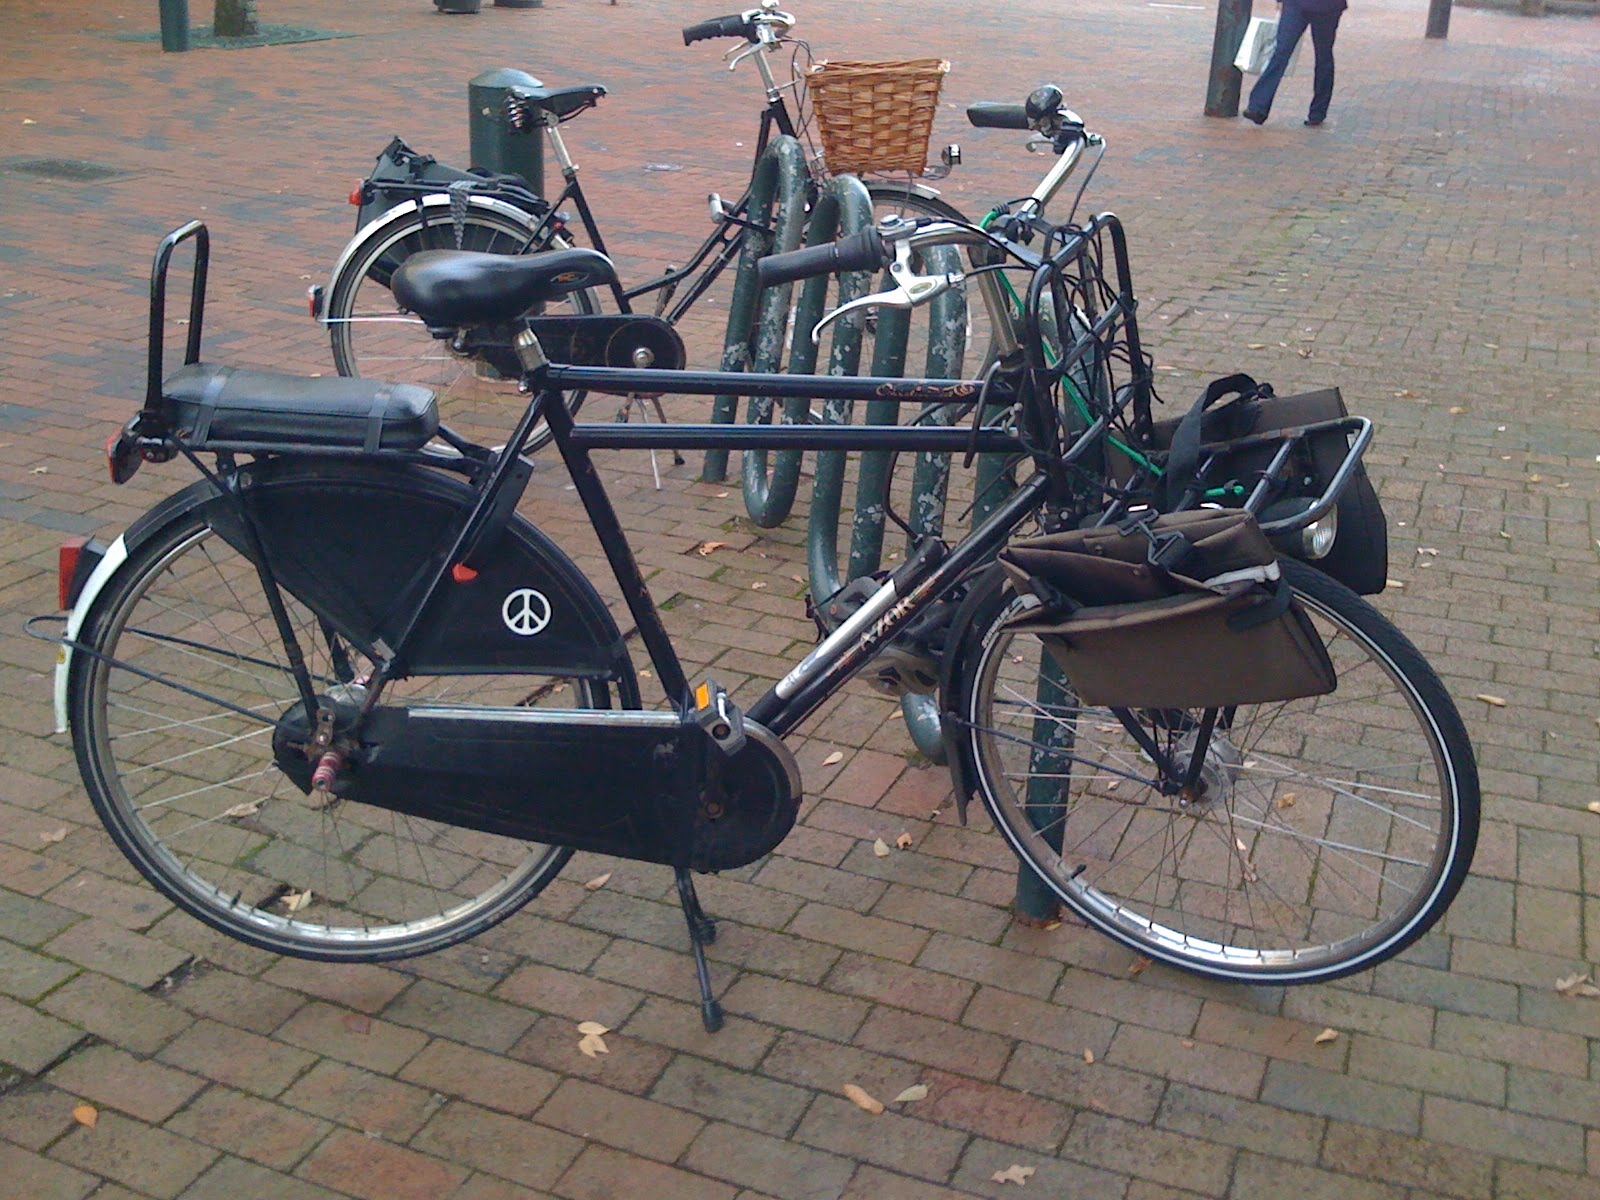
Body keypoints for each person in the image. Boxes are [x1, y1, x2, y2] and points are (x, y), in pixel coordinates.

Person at [1242, 0, 1348, 128]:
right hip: (1296, 5)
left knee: (1323, 57)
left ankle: (1318, 112)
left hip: (1327, 7)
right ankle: (1258, 107)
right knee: (1281, 52)